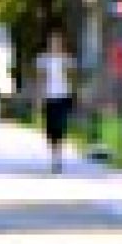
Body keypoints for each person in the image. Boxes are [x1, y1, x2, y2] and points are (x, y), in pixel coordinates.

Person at [37, 31, 76, 169]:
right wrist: (39, 97)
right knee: (50, 128)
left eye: (57, 42)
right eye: (52, 42)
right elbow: (41, 79)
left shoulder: (67, 59)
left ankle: (59, 157)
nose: (55, 45)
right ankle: (54, 156)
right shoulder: (43, 59)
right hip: (49, 96)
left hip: (63, 96)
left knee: (61, 126)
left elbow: (72, 77)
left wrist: (73, 93)